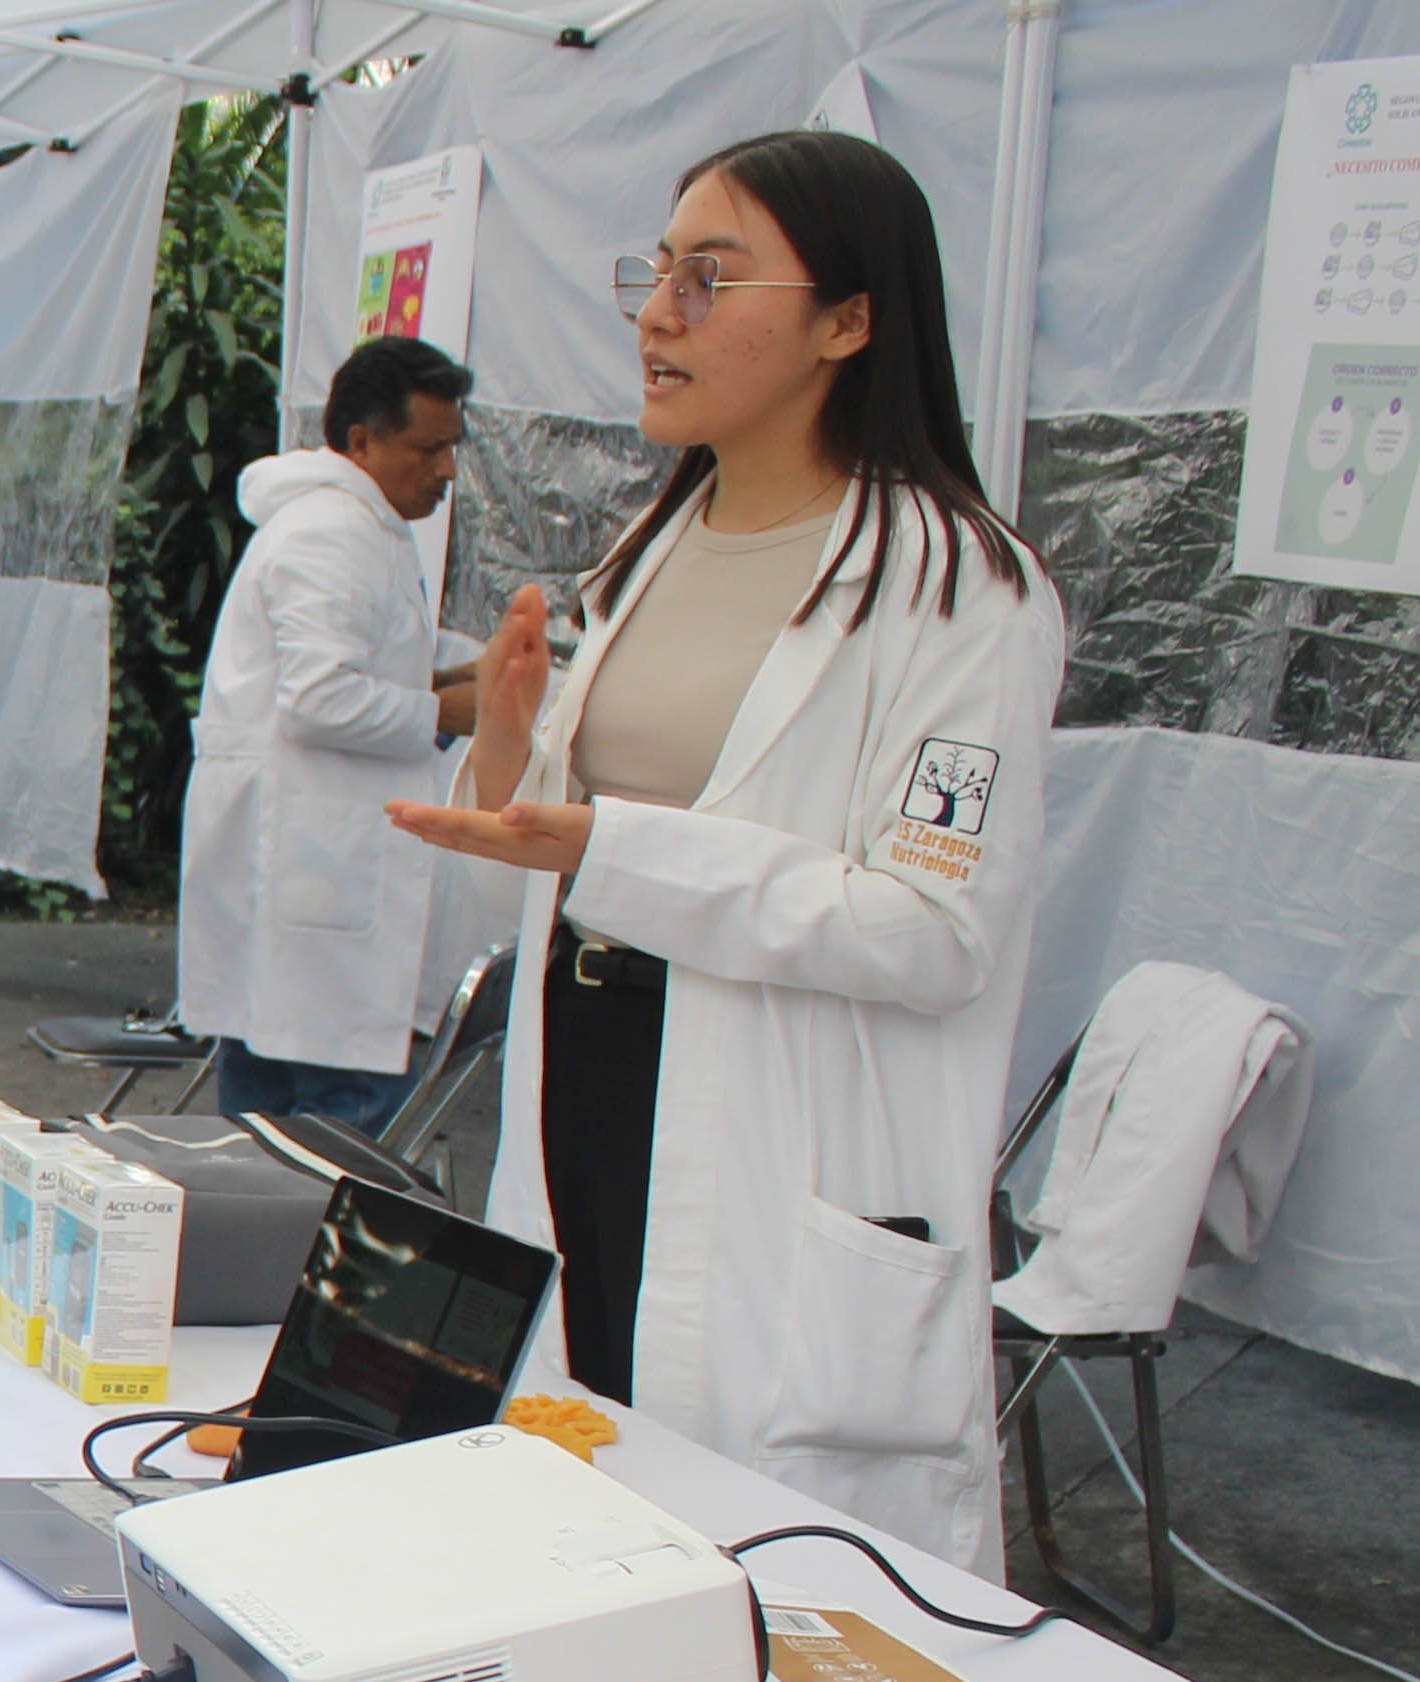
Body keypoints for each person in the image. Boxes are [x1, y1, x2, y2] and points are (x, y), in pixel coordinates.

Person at [389, 127, 1062, 1576]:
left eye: (712, 275)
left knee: (758, 1582)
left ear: (847, 320)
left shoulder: (958, 589)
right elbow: (575, 838)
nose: (657, 311)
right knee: (583, 1517)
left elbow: (932, 931)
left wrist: (607, 846)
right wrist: (511, 755)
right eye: (655, 271)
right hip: (590, 1091)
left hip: (777, 1142)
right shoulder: (655, 544)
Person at [175, 335, 529, 1127]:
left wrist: (486, 669)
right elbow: (320, 698)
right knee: (331, 1135)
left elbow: (387, 655)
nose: (445, 471)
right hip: (317, 886)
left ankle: (264, 1251)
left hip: (310, 883)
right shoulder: (330, 533)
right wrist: (446, 712)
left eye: (452, 450)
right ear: (361, 441)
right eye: (428, 449)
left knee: (266, 1131)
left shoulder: (357, 525)